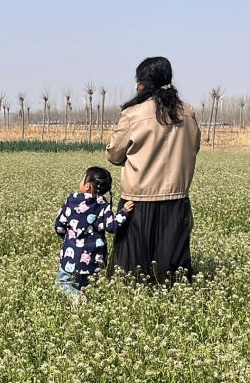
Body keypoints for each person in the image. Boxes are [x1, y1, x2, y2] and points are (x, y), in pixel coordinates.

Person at [106, 56, 200, 284]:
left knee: (132, 270)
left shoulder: (133, 114)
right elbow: (194, 147)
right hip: (176, 198)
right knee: (170, 266)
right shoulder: (188, 113)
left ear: (143, 83)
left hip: (138, 200)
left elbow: (114, 154)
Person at [54, 166, 134, 295]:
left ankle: (73, 305)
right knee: (89, 288)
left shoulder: (72, 200)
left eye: (82, 179)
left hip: (71, 257)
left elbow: (59, 225)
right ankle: (85, 307)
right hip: (94, 259)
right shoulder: (103, 205)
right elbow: (112, 227)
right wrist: (123, 212)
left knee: (66, 284)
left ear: (87, 187)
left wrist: (68, 238)